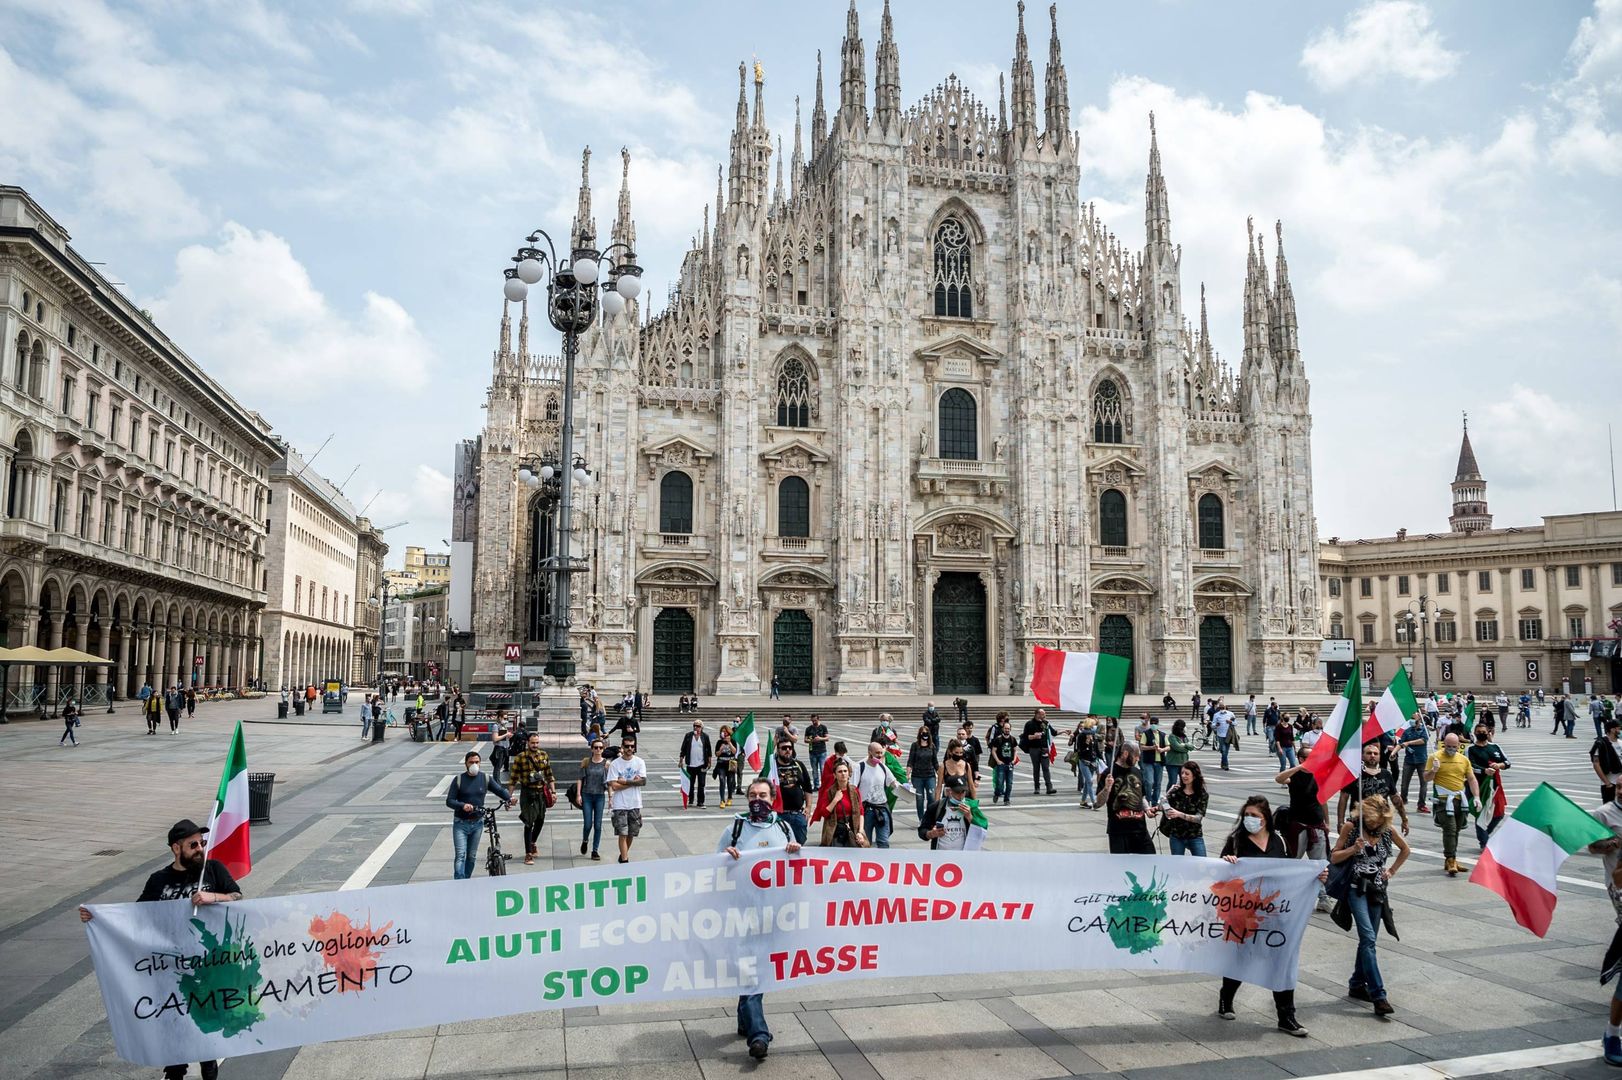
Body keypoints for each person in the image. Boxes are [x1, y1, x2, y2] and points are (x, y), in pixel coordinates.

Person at [79, 818, 242, 1080]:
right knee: (174, 1022)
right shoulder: (159, 880)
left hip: (207, 966)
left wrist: (214, 897)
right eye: (193, 844)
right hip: (170, 969)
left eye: (201, 843)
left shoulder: (212, 870)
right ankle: (175, 1070)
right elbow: (136, 916)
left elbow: (237, 897)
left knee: (206, 1020)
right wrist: (97, 917)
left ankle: (208, 1067)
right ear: (176, 848)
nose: (200, 848)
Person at [1218, 796, 1315, 1036]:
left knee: (1281, 961)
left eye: (1255, 816)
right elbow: (1220, 872)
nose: (1250, 820)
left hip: (1274, 912)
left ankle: (1286, 1016)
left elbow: (1290, 872)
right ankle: (1225, 997)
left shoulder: (1278, 841)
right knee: (1242, 959)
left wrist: (1315, 877)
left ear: (1266, 819)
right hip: (1247, 912)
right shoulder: (1237, 840)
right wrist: (1227, 862)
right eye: (1247, 815)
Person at [720, 779, 802, 1060]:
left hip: (775, 913)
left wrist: (795, 850)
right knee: (753, 974)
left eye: (763, 795)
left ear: (773, 797)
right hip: (743, 914)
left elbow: (796, 865)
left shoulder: (782, 827)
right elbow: (713, 868)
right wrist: (725, 857)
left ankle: (746, 1021)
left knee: (755, 973)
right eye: (753, 794)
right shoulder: (735, 829)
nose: (758, 799)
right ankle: (759, 1035)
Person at [1330, 794, 1409, 1017]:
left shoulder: (1387, 830)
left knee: (1368, 941)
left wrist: (1391, 870)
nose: (1374, 825)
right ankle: (1379, 995)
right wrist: (1352, 850)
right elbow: (1334, 857)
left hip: (1377, 891)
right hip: (1355, 889)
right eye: (1371, 821)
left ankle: (1356, 983)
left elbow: (1406, 850)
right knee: (1368, 938)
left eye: (1378, 822)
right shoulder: (1351, 827)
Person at [446, 750, 512, 879]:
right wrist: (462, 805)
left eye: (477, 762)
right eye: (471, 762)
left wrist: (509, 798)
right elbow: (449, 801)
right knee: (460, 855)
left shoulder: (485, 778)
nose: (474, 764)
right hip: (461, 823)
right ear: (466, 764)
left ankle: (466, 879)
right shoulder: (459, 779)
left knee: (471, 856)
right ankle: (459, 882)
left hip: (477, 823)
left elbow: (499, 790)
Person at [1275, 763, 1331, 911]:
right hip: (1297, 826)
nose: (1310, 761)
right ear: (1301, 758)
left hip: (1317, 826)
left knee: (1320, 864)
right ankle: (1285, 894)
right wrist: (1298, 768)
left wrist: (1327, 821)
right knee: (1292, 862)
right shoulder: (1294, 775)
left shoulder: (1319, 775)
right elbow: (1279, 779)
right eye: (1307, 758)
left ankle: (1323, 898)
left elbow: (1323, 800)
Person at [1424, 732, 1481, 875]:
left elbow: (1471, 779)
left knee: (1457, 829)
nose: (1451, 749)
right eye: (1448, 746)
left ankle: (1452, 858)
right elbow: (1426, 778)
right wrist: (1434, 770)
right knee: (1450, 829)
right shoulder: (1434, 757)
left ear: (1458, 746)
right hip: (1443, 800)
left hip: (1459, 799)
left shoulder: (1463, 759)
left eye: (1454, 747)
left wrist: (1476, 797)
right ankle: (1450, 859)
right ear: (1444, 744)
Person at [1337, 741, 1409, 836]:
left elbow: (1396, 799)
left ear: (1379, 757)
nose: (1372, 755)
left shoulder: (1386, 774)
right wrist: (1340, 822)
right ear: (1362, 756)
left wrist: (1404, 819)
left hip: (1382, 823)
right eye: (1369, 753)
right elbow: (1343, 798)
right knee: (1357, 850)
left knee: (1386, 850)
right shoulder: (1354, 774)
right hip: (1359, 823)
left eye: (1375, 754)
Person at [1100, 741, 1156, 854]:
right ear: (1125, 754)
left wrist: (1147, 809)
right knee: (1121, 867)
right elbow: (1098, 803)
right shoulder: (1109, 773)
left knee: (1150, 858)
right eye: (1136, 756)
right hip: (1118, 831)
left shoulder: (1137, 772)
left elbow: (1141, 796)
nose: (1138, 759)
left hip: (1139, 829)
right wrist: (1106, 788)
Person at [509, 733, 555, 866]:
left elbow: (549, 774)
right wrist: (509, 796)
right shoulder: (521, 757)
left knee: (540, 820)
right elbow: (513, 778)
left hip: (541, 792)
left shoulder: (544, 755)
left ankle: (533, 842)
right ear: (527, 743)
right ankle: (528, 853)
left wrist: (553, 791)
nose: (535, 745)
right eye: (532, 743)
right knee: (529, 823)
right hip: (527, 792)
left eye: (537, 743)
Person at [1467, 725, 1509, 848]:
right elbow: (1469, 766)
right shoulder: (1471, 749)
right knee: (1481, 813)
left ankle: (1485, 833)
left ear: (1488, 733)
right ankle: (1484, 843)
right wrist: (1484, 771)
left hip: (1496, 786)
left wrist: (1499, 765)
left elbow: (1507, 762)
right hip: (1479, 786)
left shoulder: (1495, 747)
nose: (1481, 734)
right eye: (1479, 732)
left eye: (1484, 732)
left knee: (1499, 814)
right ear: (1474, 733)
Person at [855, 741, 904, 848]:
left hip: (882, 809)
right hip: (866, 810)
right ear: (869, 753)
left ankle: (883, 862)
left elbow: (893, 783)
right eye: (877, 753)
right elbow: (852, 789)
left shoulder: (882, 767)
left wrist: (906, 789)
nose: (880, 755)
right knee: (864, 842)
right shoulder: (860, 767)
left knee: (883, 842)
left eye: (881, 753)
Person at [607, 739, 647, 864]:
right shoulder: (615, 764)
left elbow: (643, 782)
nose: (629, 748)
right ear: (622, 747)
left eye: (632, 746)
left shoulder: (640, 762)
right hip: (620, 804)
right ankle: (625, 861)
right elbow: (614, 786)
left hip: (635, 803)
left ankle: (622, 855)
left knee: (631, 833)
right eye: (627, 746)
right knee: (622, 833)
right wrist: (632, 783)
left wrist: (624, 781)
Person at [811, 759, 867, 847]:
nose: (843, 774)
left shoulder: (854, 790)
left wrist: (860, 831)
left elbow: (861, 812)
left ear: (849, 774)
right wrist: (835, 800)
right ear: (835, 775)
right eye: (840, 772)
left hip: (853, 830)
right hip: (835, 832)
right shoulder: (829, 792)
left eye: (845, 771)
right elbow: (824, 813)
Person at [1160, 761, 1208, 856]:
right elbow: (1161, 806)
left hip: (1194, 835)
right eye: (1182, 773)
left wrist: (1179, 814)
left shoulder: (1202, 794)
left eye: (1187, 774)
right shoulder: (1176, 791)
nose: (1183, 776)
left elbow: (1198, 818)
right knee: (1177, 865)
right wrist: (1168, 793)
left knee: (1202, 861)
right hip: (1177, 835)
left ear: (1194, 776)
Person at [918, 774, 977, 850]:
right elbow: (922, 830)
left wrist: (969, 817)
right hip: (941, 857)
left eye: (963, 792)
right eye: (957, 792)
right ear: (949, 791)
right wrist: (931, 834)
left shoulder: (971, 807)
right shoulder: (936, 807)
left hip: (963, 857)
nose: (961, 795)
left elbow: (980, 832)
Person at [771, 740, 812, 844]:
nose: (787, 750)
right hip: (779, 815)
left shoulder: (799, 765)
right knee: (780, 846)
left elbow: (807, 788)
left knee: (799, 845)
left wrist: (808, 808)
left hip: (798, 815)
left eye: (790, 747)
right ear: (778, 750)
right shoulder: (772, 767)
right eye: (784, 748)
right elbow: (762, 788)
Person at [578, 738, 609, 860]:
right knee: (587, 824)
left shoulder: (606, 764)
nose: (598, 750)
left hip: (600, 796)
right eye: (596, 747)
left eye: (600, 748)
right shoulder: (586, 762)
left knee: (598, 825)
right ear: (592, 749)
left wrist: (611, 797)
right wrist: (578, 795)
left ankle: (595, 850)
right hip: (587, 795)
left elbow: (610, 781)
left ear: (603, 749)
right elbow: (580, 778)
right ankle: (585, 840)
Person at [1396, 712, 1430, 812]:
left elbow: (1423, 740)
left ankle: (1421, 804)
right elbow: (1401, 743)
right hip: (1409, 760)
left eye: (1413, 718)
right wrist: (1394, 752)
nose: (1411, 720)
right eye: (1411, 718)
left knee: (1424, 784)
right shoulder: (1407, 731)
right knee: (1404, 783)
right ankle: (1403, 800)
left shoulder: (1424, 730)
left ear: (1419, 720)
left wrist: (1409, 743)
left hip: (1421, 759)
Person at [679, 719, 712, 809]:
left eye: (698, 726)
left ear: (701, 727)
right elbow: (683, 749)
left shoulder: (705, 736)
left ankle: (700, 802)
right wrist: (681, 760)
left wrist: (709, 762)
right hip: (691, 764)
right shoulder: (688, 736)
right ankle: (691, 799)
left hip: (702, 764)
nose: (695, 727)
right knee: (691, 783)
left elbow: (709, 750)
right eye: (694, 725)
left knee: (701, 783)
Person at [907, 726, 939, 820]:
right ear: (919, 734)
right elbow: (910, 761)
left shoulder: (932, 746)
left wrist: (940, 774)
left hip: (930, 775)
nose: (924, 735)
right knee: (919, 799)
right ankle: (921, 818)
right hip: (917, 776)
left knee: (931, 798)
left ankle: (929, 817)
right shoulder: (915, 745)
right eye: (922, 733)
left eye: (926, 733)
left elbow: (935, 762)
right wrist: (907, 774)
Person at [1022, 708, 1056, 795]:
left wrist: (1064, 731)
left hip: (1044, 748)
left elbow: (1053, 732)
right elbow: (1026, 737)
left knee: (1046, 767)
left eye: (1044, 714)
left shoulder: (1046, 723)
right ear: (1037, 714)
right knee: (1036, 768)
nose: (1044, 715)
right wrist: (1034, 736)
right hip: (1034, 748)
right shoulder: (1030, 724)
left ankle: (1049, 787)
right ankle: (1037, 787)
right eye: (1042, 714)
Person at [1072, 719, 1102, 809]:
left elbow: (1096, 749)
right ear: (1089, 726)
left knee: (1087, 783)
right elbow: (1081, 751)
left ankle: (1083, 801)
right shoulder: (1081, 736)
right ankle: (1094, 802)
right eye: (1093, 726)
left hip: (1092, 761)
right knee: (1089, 781)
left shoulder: (1094, 735)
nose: (1094, 728)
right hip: (1084, 761)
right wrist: (1087, 743)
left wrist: (1101, 759)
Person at [988, 715, 1017, 805]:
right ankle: (997, 793)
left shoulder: (1013, 739)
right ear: (1003, 729)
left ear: (1010, 729)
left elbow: (1015, 750)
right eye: (1005, 728)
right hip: (1001, 764)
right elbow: (993, 751)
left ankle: (1006, 799)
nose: (1007, 730)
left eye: (1008, 728)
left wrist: (1014, 760)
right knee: (999, 782)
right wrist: (998, 761)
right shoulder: (998, 739)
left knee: (1009, 783)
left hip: (1010, 764)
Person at [1139, 715, 1168, 802]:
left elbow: (1168, 746)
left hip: (1159, 761)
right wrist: (1152, 747)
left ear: (1158, 724)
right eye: (1152, 723)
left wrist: (1162, 749)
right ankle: (1148, 799)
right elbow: (1142, 747)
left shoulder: (1162, 735)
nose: (1153, 725)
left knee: (1158, 783)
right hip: (1149, 761)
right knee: (1149, 782)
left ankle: (1155, 802)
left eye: (1155, 723)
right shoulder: (1146, 733)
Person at [1593, 718, 1622, 804]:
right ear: (1612, 729)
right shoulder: (1601, 743)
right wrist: (1607, 783)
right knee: (1609, 810)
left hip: (1620, 782)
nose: (1620, 730)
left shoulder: (1620, 743)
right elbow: (1596, 764)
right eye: (1618, 728)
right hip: (1609, 783)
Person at [714, 724, 739, 809]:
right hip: (721, 763)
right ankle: (722, 800)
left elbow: (735, 751)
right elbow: (716, 754)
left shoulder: (733, 741)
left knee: (730, 781)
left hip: (731, 763)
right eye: (722, 732)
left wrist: (729, 743)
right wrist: (721, 749)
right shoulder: (719, 742)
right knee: (722, 780)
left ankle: (730, 797)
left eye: (725, 732)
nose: (724, 734)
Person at [804, 713, 828, 792]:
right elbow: (805, 739)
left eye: (815, 720)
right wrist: (811, 740)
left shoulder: (823, 727)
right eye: (812, 720)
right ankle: (816, 785)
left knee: (822, 769)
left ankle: (824, 785)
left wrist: (820, 739)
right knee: (814, 770)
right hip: (812, 752)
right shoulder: (808, 729)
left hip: (822, 751)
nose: (814, 722)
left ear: (818, 719)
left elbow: (827, 738)